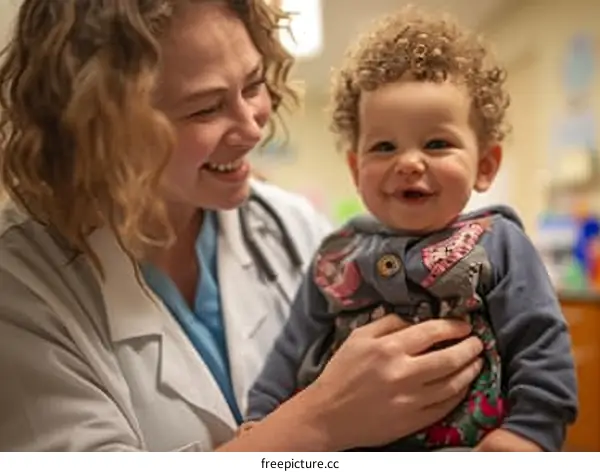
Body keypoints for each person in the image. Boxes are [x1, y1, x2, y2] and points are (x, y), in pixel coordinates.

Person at [0, 0, 486, 452]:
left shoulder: (290, 226)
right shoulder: (22, 284)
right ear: (102, 128)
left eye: (253, 85)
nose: (253, 128)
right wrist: (319, 423)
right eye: (205, 108)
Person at [245, 6, 579, 452]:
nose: (408, 162)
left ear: (485, 165)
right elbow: (290, 351)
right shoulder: (334, 256)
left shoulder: (497, 245)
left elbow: (542, 346)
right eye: (384, 146)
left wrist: (529, 434)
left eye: (437, 143)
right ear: (355, 166)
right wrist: (261, 423)